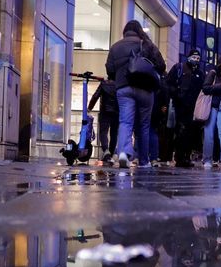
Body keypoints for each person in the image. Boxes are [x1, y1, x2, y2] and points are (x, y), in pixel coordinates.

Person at [105, 20, 166, 168]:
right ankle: (144, 161)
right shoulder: (147, 44)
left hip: (124, 88)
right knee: (144, 126)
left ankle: (124, 153)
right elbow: (162, 66)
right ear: (139, 30)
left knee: (125, 121)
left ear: (125, 31)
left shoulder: (115, 47)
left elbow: (110, 70)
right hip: (146, 89)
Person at [166, 49, 206, 167]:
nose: (196, 60)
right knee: (180, 132)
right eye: (194, 57)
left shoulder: (200, 73)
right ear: (189, 57)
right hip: (180, 106)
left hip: (194, 108)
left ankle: (186, 157)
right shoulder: (179, 68)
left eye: (198, 58)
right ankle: (179, 157)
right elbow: (168, 83)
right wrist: (176, 95)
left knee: (190, 133)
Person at [88, 78, 118, 163]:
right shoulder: (120, 83)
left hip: (105, 111)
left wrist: (90, 107)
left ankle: (106, 152)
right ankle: (111, 154)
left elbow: (95, 96)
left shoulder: (104, 83)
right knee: (114, 133)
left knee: (103, 132)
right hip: (116, 112)